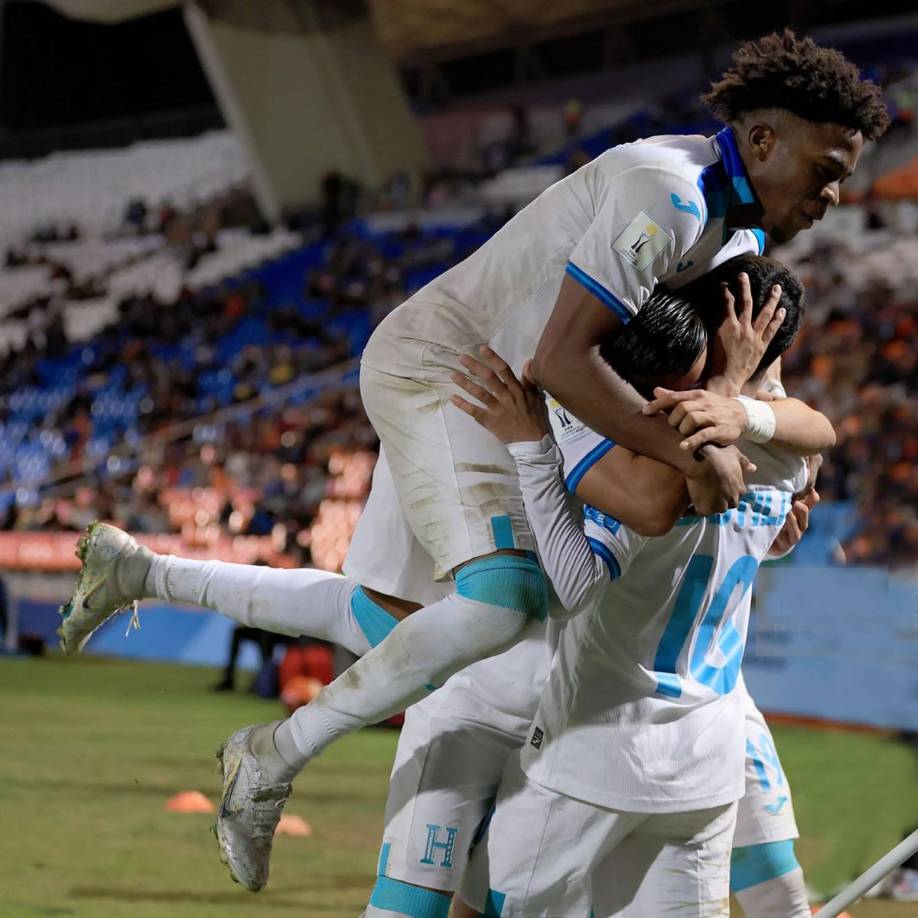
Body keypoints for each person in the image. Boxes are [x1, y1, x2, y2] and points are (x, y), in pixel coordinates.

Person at [60, 33, 886, 891]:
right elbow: (568, 363)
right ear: (761, 142)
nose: (833, 195)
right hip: (453, 377)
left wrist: (765, 436)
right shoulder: (670, 193)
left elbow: (759, 380)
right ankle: (267, 756)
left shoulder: (734, 239)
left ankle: (139, 572)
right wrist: (696, 448)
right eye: (825, 169)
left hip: (509, 389)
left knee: (388, 618)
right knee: (502, 609)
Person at [452, 266, 821, 914]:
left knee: (480, 905)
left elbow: (602, 556)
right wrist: (737, 393)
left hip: (594, 751)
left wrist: (536, 441)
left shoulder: (652, 463)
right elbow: (812, 430)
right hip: (704, 764)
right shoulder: (790, 453)